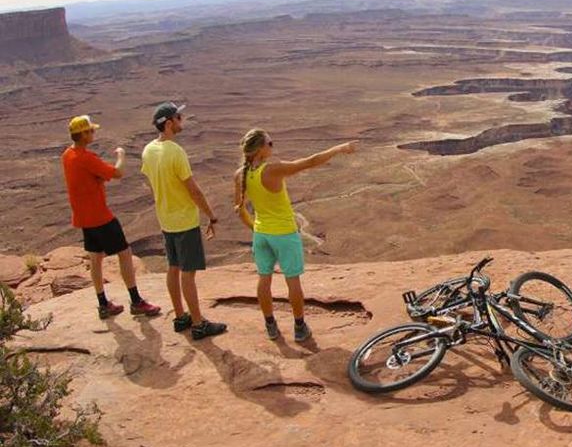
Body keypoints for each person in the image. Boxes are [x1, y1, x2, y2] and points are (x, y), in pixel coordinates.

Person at [234, 129, 357, 341]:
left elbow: (239, 208)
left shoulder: (240, 174)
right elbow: (310, 162)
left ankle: (270, 325)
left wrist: (254, 227)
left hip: (261, 234)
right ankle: (299, 327)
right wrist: (339, 148)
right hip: (284, 234)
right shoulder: (272, 169)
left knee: (264, 279)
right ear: (261, 149)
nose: (273, 146)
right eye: (270, 143)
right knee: (293, 281)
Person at [140, 102, 226, 340]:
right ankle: (198, 324)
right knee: (188, 273)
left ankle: (180, 317)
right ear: (169, 123)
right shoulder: (175, 152)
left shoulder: (148, 150)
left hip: (165, 219)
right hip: (185, 221)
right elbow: (193, 190)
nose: (182, 120)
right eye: (179, 117)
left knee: (173, 267)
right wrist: (211, 215)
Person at [61, 115, 161, 320]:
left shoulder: (67, 155)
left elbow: (88, 176)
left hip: (84, 218)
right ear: (83, 134)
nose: (94, 134)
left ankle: (103, 304)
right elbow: (117, 172)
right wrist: (121, 154)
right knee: (125, 254)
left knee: (96, 259)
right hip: (100, 217)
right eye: (91, 131)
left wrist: (97, 177)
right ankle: (136, 301)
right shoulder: (86, 158)